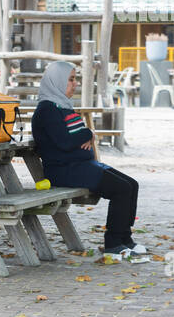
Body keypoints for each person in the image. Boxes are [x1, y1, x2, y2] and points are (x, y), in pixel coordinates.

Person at [32, 61, 146, 263]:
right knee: (120, 189)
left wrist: (86, 136)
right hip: (63, 170)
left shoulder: (62, 105)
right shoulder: (47, 110)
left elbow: (73, 139)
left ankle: (125, 238)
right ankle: (113, 244)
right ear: (56, 81)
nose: (74, 84)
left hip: (81, 165)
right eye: (71, 79)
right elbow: (66, 142)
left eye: (75, 79)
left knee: (131, 185)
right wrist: (88, 133)